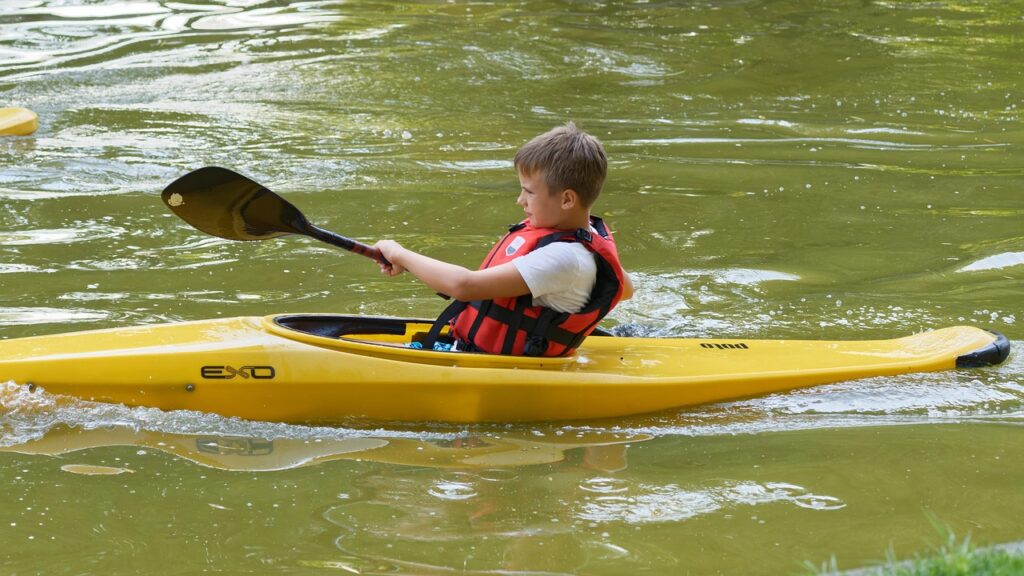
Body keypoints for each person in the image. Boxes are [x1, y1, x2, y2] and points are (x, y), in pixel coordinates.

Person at [374, 122, 634, 356]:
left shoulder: (564, 258)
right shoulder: (586, 237)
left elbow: (464, 286)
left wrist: (399, 254)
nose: (520, 200)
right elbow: (626, 288)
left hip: (496, 365)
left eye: (528, 192)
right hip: (472, 350)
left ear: (567, 199)